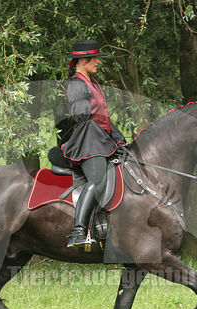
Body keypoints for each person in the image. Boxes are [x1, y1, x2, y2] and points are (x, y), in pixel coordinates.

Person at [61, 40, 127, 248]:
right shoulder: (77, 84)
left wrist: (118, 138)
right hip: (88, 140)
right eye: (95, 57)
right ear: (82, 59)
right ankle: (78, 232)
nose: (98, 61)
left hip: (98, 138)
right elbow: (83, 118)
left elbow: (103, 117)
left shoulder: (93, 82)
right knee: (97, 181)